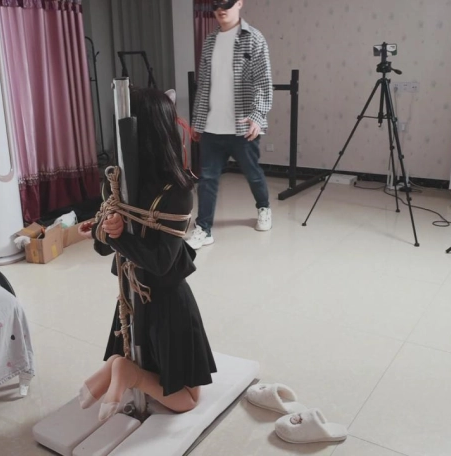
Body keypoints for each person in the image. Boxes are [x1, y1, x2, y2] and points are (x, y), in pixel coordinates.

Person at [78, 88, 217, 422]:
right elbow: (160, 263)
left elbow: (109, 247)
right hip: (165, 304)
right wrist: (107, 230)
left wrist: (110, 233)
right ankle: (127, 372)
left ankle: (115, 367)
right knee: (189, 399)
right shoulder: (176, 190)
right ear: (163, 130)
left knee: (155, 368)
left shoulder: (118, 182)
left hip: (133, 295)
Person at [187, 0, 274, 250]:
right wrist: (197, 122)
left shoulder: (254, 38)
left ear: (239, 3)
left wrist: (257, 116)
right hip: (212, 126)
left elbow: (263, 82)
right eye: (216, 3)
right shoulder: (210, 41)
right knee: (207, 179)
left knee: (252, 174)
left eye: (226, 2)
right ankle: (204, 229)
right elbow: (203, 85)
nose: (221, 8)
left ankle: (264, 207)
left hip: (242, 126)